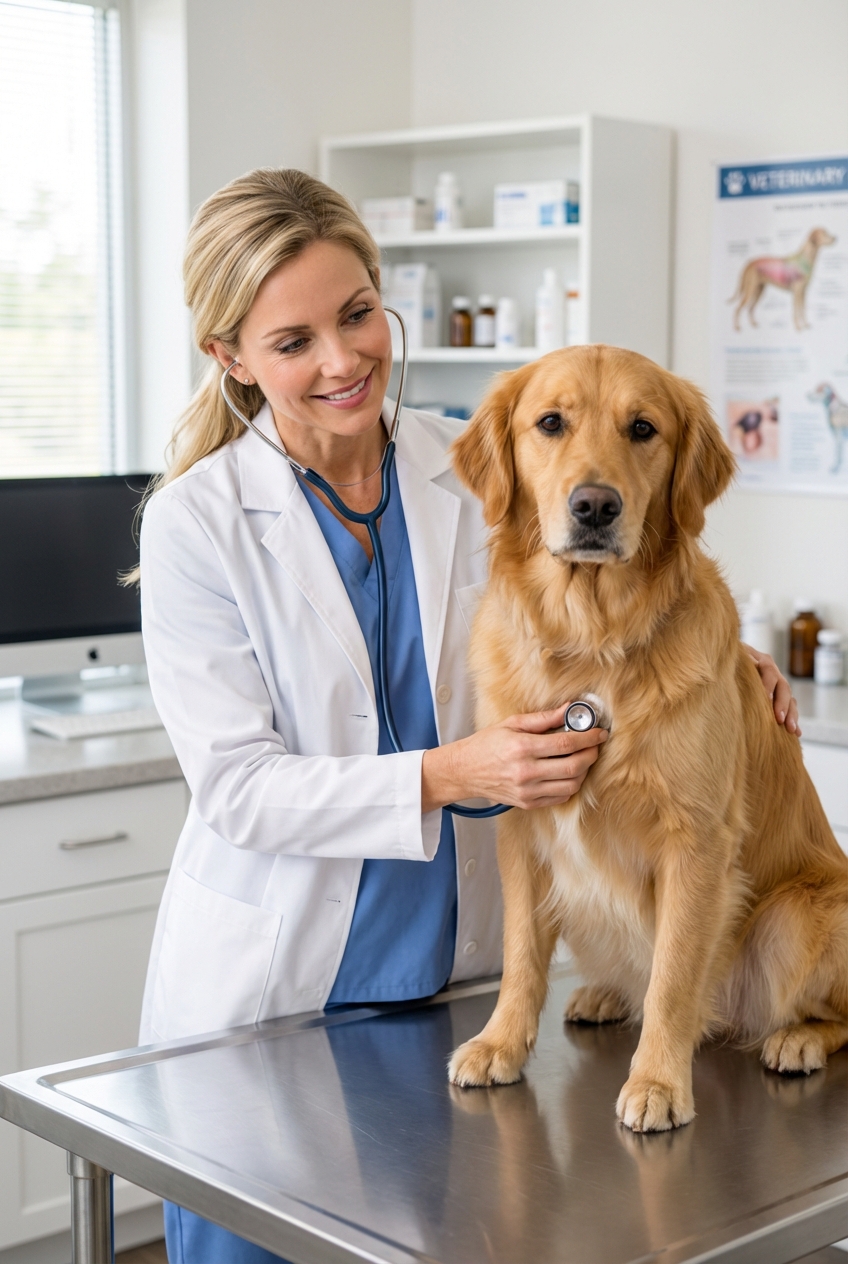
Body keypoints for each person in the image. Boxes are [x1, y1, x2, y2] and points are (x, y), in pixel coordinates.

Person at [137, 168, 800, 1264]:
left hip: (453, 981)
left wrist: (728, 664)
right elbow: (237, 788)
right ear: (231, 358)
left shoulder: (474, 459)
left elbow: (606, 595)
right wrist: (454, 774)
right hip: (277, 990)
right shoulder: (197, 526)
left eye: (356, 315)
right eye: (292, 340)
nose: (343, 361)